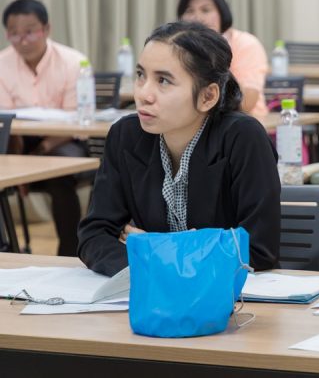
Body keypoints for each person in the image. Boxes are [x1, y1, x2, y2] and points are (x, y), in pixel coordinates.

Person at [78, 21, 281, 277]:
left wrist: (157, 249)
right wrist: (163, 265)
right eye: (141, 75)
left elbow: (258, 249)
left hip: (233, 296)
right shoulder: (126, 135)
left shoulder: (243, 138)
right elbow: (94, 235)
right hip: (149, 294)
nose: (143, 94)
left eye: (163, 81)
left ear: (208, 96)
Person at [0, 0, 89, 256]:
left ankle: (70, 254)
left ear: (46, 29)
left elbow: (77, 121)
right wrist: (18, 161)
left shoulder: (73, 62)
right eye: (14, 34)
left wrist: (39, 153)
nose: (22, 41)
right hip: (18, 141)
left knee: (61, 173)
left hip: (64, 141)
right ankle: (6, 250)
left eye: (30, 32)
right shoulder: (2, 63)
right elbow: (7, 121)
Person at [176, 0, 269, 115]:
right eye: (189, 11)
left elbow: (246, 102)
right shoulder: (178, 48)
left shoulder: (246, 44)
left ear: (222, 13)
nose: (197, 17)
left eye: (205, 10)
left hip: (243, 121)